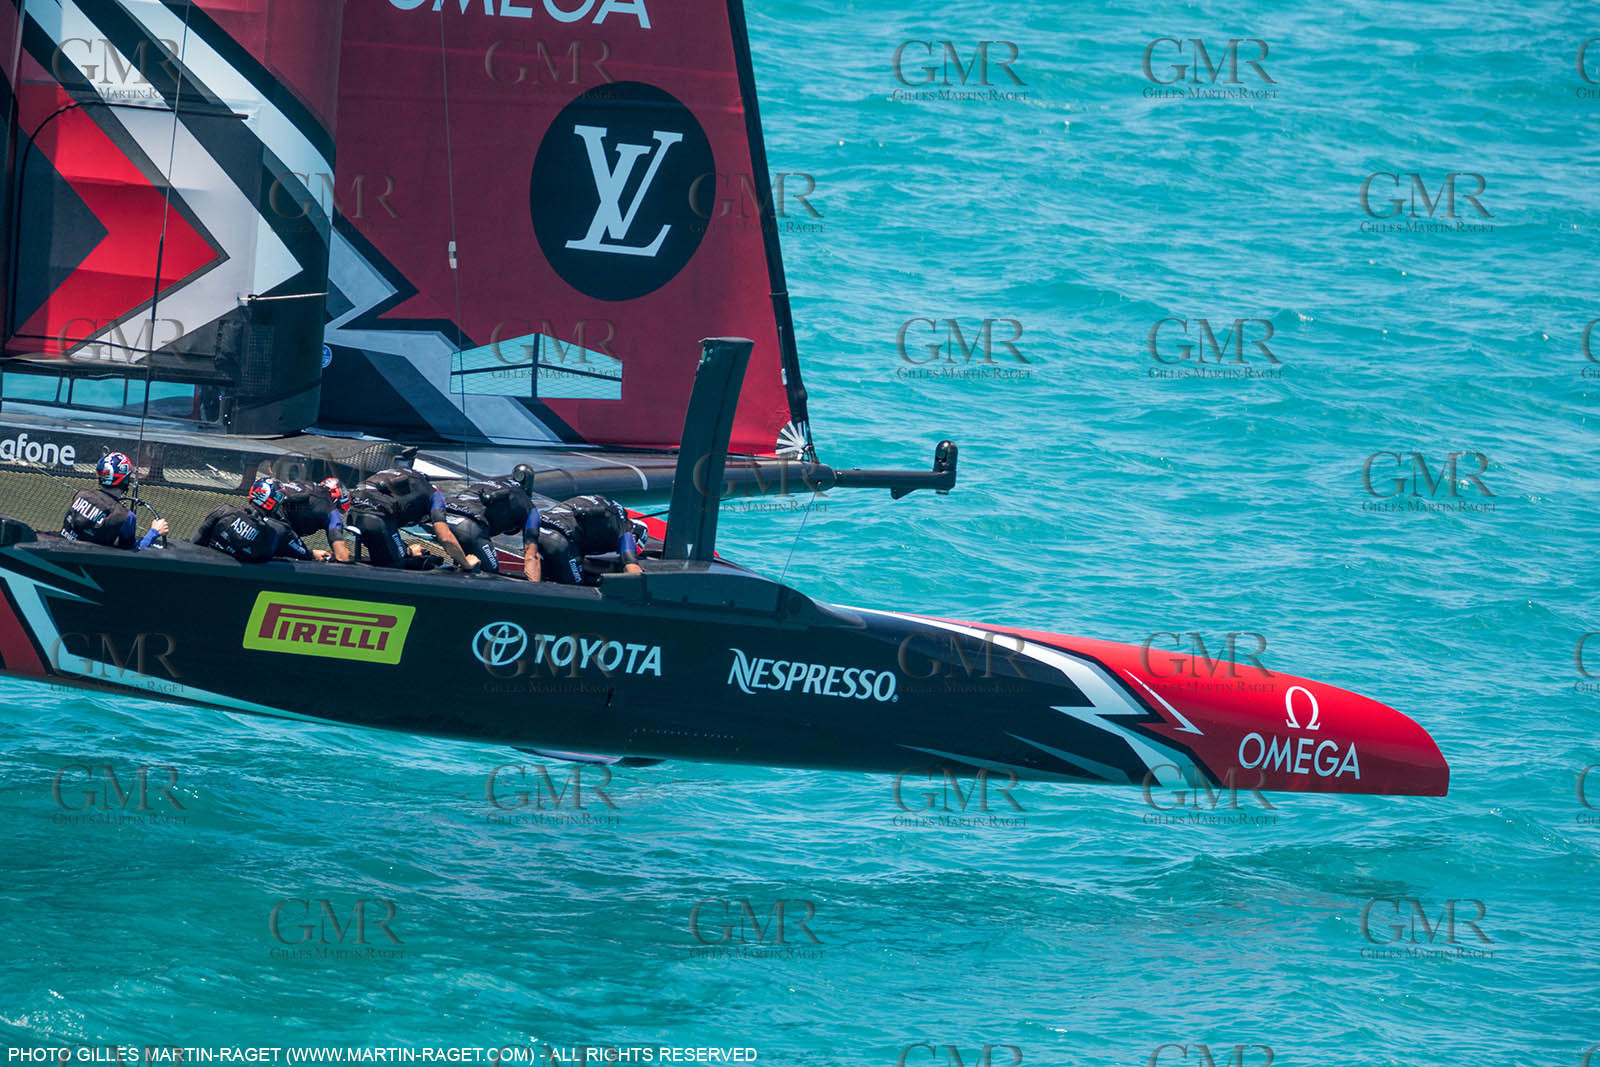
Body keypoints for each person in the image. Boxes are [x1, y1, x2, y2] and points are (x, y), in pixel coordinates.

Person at [346, 466, 469, 570]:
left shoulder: (401, 478)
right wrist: (466, 564)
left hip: (353, 513)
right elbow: (445, 536)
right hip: (377, 517)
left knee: (383, 557)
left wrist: (406, 550)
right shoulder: (434, 495)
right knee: (398, 565)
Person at [442, 464, 543, 580]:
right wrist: (534, 590)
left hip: (444, 520)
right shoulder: (530, 508)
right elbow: (532, 555)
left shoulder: (489, 482)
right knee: (491, 575)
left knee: (465, 563)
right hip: (470, 528)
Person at [61, 451, 169, 549]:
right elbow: (132, 554)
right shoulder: (126, 517)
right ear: (125, 480)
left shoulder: (80, 495)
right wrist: (154, 532)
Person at [193, 477, 315, 563]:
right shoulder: (276, 532)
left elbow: (195, 543)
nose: (282, 501)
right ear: (272, 501)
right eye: (279, 498)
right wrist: (312, 553)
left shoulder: (223, 511)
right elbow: (302, 555)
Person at [537, 494, 646, 585]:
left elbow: (578, 561)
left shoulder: (610, 513)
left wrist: (611, 569)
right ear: (634, 536)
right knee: (577, 591)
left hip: (536, 528)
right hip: (559, 541)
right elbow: (633, 571)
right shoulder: (626, 531)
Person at [280, 476, 353, 562]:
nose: (338, 512)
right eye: (339, 509)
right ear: (337, 500)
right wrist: (343, 552)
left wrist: (311, 553)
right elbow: (342, 557)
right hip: (277, 530)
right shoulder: (330, 508)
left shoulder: (303, 485)